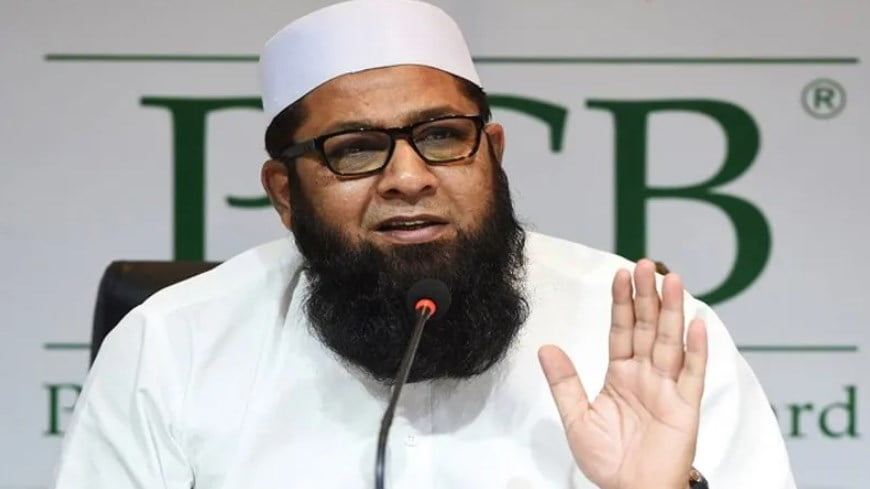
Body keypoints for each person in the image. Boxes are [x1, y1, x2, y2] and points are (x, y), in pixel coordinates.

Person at [53, 0, 795, 487]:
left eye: (441, 136)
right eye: (354, 148)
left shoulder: (649, 340)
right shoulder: (172, 346)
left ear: (491, 152)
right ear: (285, 193)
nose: (408, 178)